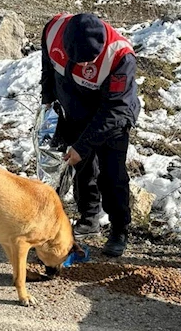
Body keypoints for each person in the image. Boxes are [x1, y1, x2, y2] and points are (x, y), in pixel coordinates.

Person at [41, 13, 140, 257]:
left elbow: (114, 109)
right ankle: (88, 216)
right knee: (81, 166)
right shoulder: (53, 30)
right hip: (75, 109)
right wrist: (48, 100)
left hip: (112, 115)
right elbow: (48, 66)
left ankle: (119, 229)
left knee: (112, 174)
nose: (85, 66)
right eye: (79, 61)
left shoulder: (120, 56)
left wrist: (83, 145)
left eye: (90, 62)